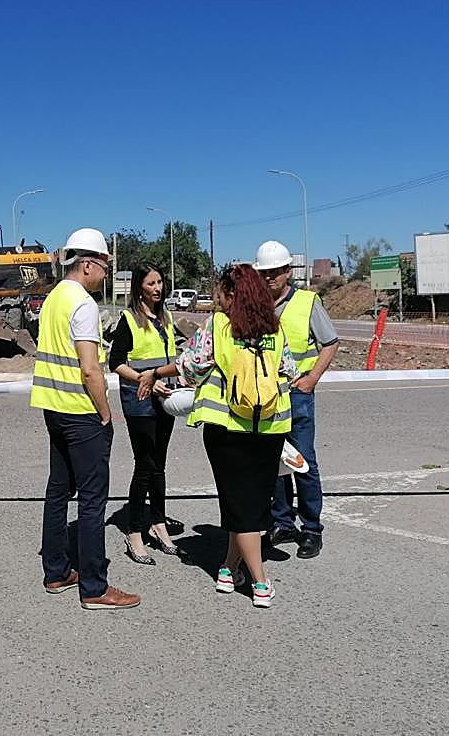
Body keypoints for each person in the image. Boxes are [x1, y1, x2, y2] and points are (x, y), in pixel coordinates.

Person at [139, 264, 293, 608]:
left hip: (227, 428)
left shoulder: (219, 326)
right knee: (251, 504)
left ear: (231, 293)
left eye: (220, 293)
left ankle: (260, 581)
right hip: (270, 427)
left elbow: (191, 367)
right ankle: (227, 569)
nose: (217, 299)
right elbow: (290, 370)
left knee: (240, 508)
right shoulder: (275, 328)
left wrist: (156, 375)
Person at [32, 228, 141, 611]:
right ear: (89, 263)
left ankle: (57, 571)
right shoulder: (83, 303)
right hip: (81, 413)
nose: (108, 272)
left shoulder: (53, 298)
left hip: (52, 408)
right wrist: (106, 414)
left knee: (58, 490)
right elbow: (90, 369)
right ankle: (94, 587)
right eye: (106, 265)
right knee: (93, 501)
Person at [253, 240, 339, 559]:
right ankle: (281, 522)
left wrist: (312, 377)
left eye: (275, 272)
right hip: (266, 397)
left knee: (303, 463)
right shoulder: (257, 306)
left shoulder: (306, 302)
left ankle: (312, 529)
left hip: (297, 395)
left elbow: (329, 343)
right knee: (274, 463)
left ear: (288, 271)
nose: (270, 278)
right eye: (264, 273)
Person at [108, 263, 180, 565]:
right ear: (140, 287)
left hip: (167, 399)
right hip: (140, 401)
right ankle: (134, 529)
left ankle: (158, 522)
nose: (158, 288)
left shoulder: (166, 318)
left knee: (159, 465)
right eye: (152, 283)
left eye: (160, 282)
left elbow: (177, 354)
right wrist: (145, 379)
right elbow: (116, 362)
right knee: (145, 464)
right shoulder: (128, 319)